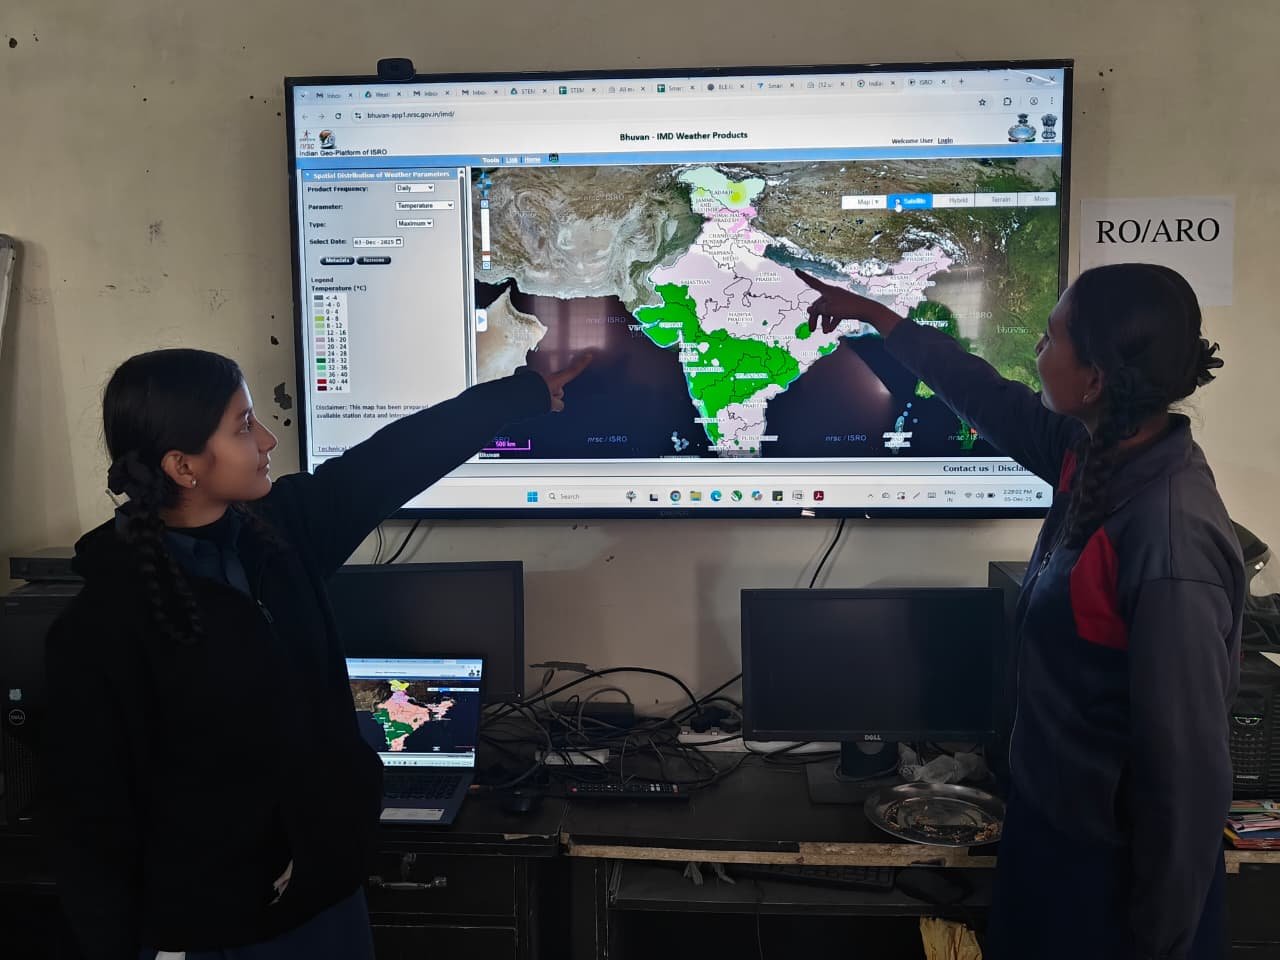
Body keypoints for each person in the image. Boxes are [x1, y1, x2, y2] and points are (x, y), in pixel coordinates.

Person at [43, 352, 591, 960]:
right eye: (243, 426)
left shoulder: (280, 532)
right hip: (213, 931)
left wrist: (521, 395)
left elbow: (394, 458)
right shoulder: (102, 626)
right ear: (183, 465)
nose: (268, 440)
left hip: (327, 895)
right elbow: (90, 826)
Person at [799, 263, 1242, 960]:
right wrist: (879, 318)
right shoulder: (1096, 450)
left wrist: (1162, 944)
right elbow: (985, 395)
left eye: (1050, 337)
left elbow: (1186, 778)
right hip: (1053, 833)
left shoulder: (1167, 537)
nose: (1037, 350)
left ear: (1094, 379)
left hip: (1112, 879)